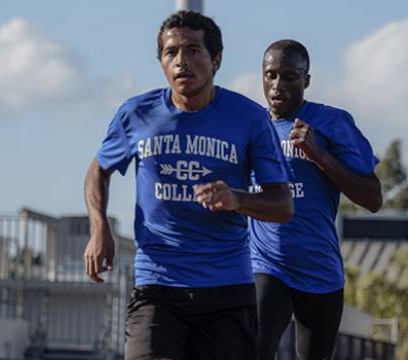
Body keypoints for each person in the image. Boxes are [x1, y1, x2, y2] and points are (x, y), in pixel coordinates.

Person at [83, 11, 293, 360]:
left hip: (227, 289)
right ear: (161, 61)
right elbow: (98, 170)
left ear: (216, 59)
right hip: (157, 284)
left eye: (194, 50)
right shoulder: (137, 114)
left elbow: (283, 205)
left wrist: (236, 199)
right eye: (171, 52)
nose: (182, 61)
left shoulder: (249, 118)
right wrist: (98, 225)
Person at [249, 39, 383, 360]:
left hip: (318, 270)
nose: (278, 85)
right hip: (266, 261)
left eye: (289, 76)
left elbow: (373, 197)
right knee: (252, 348)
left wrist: (319, 155)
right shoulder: (250, 125)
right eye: (270, 75)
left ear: (306, 80)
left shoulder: (332, 123)